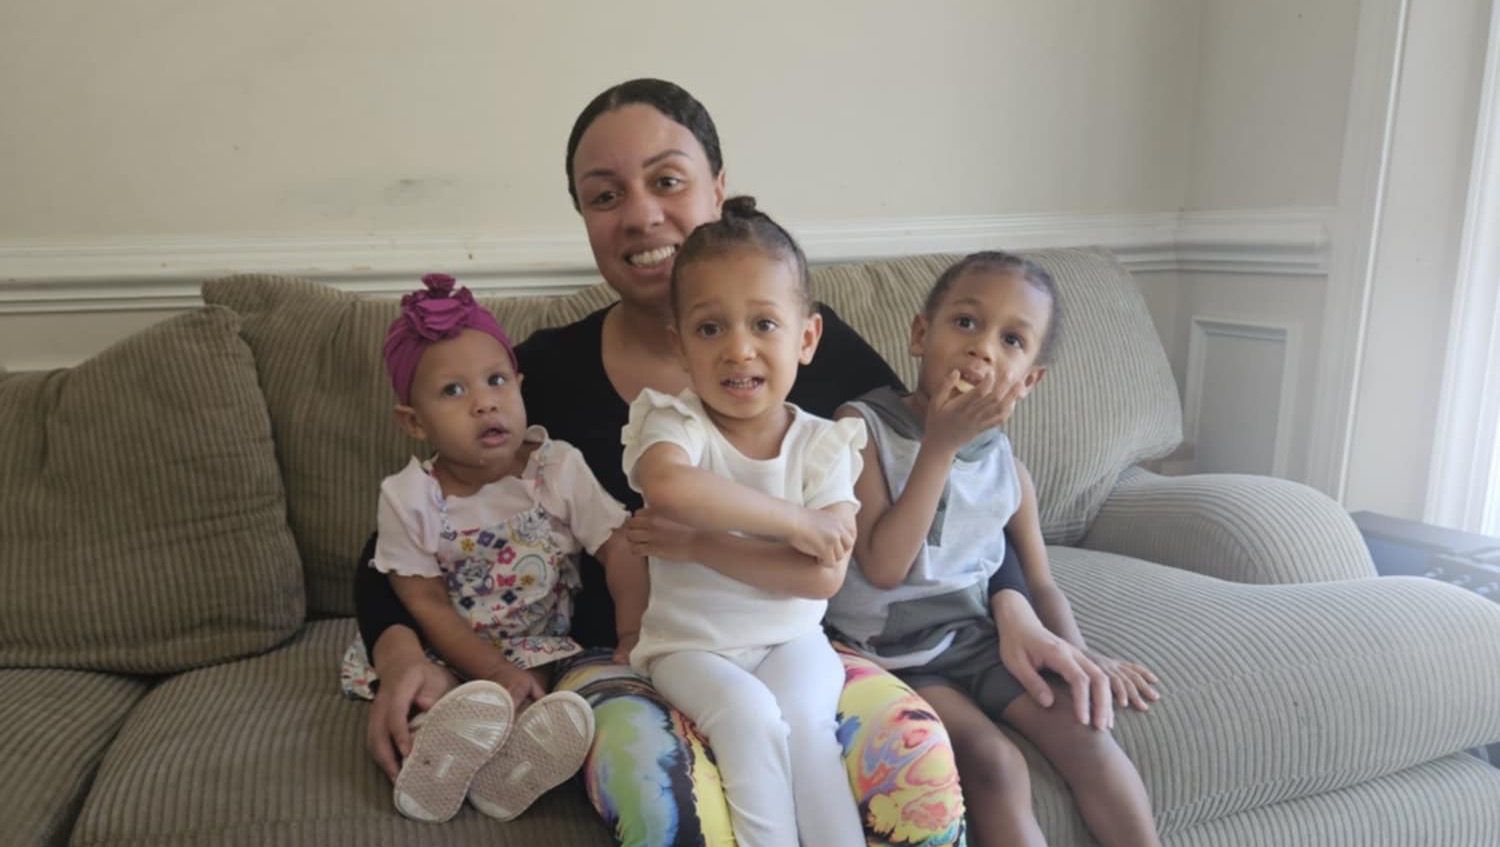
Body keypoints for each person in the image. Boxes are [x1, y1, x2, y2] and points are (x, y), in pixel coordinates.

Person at [357, 78, 1109, 846]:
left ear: (718, 188)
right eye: (606, 195)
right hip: (644, 656)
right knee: (676, 798)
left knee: (927, 763)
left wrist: (1013, 600)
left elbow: (934, 463)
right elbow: (414, 528)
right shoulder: (530, 376)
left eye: (667, 180)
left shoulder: (809, 349)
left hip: (796, 639)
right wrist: (399, 652)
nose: (641, 214)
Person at [829, 251, 1162, 847]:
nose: (982, 348)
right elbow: (882, 567)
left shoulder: (1010, 472)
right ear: (920, 335)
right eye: (965, 323)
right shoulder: (861, 430)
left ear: (1029, 380)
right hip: (893, 655)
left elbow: (1041, 585)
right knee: (995, 763)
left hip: (979, 642)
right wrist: (939, 447)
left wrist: (1081, 657)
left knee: (1088, 735)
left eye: (1012, 340)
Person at [340, 273, 646, 823]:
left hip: (535, 646)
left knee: (538, 690)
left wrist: (632, 631)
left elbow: (618, 547)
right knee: (435, 687)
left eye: (496, 381)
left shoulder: (556, 469)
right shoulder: (410, 498)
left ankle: (509, 769)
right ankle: (431, 752)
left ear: (520, 387)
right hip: (443, 644)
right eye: (453, 391)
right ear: (414, 423)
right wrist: (489, 670)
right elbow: (424, 602)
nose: (484, 403)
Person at [620, 196, 867, 846]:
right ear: (679, 344)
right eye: (710, 329)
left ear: (806, 338)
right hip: (689, 646)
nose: (738, 349)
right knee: (750, 715)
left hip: (793, 640)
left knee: (808, 731)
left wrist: (700, 543)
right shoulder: (675, 422)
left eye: (763, 323)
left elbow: (821, 577)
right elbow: (668, 483)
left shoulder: (824, 444)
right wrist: (795, 522)